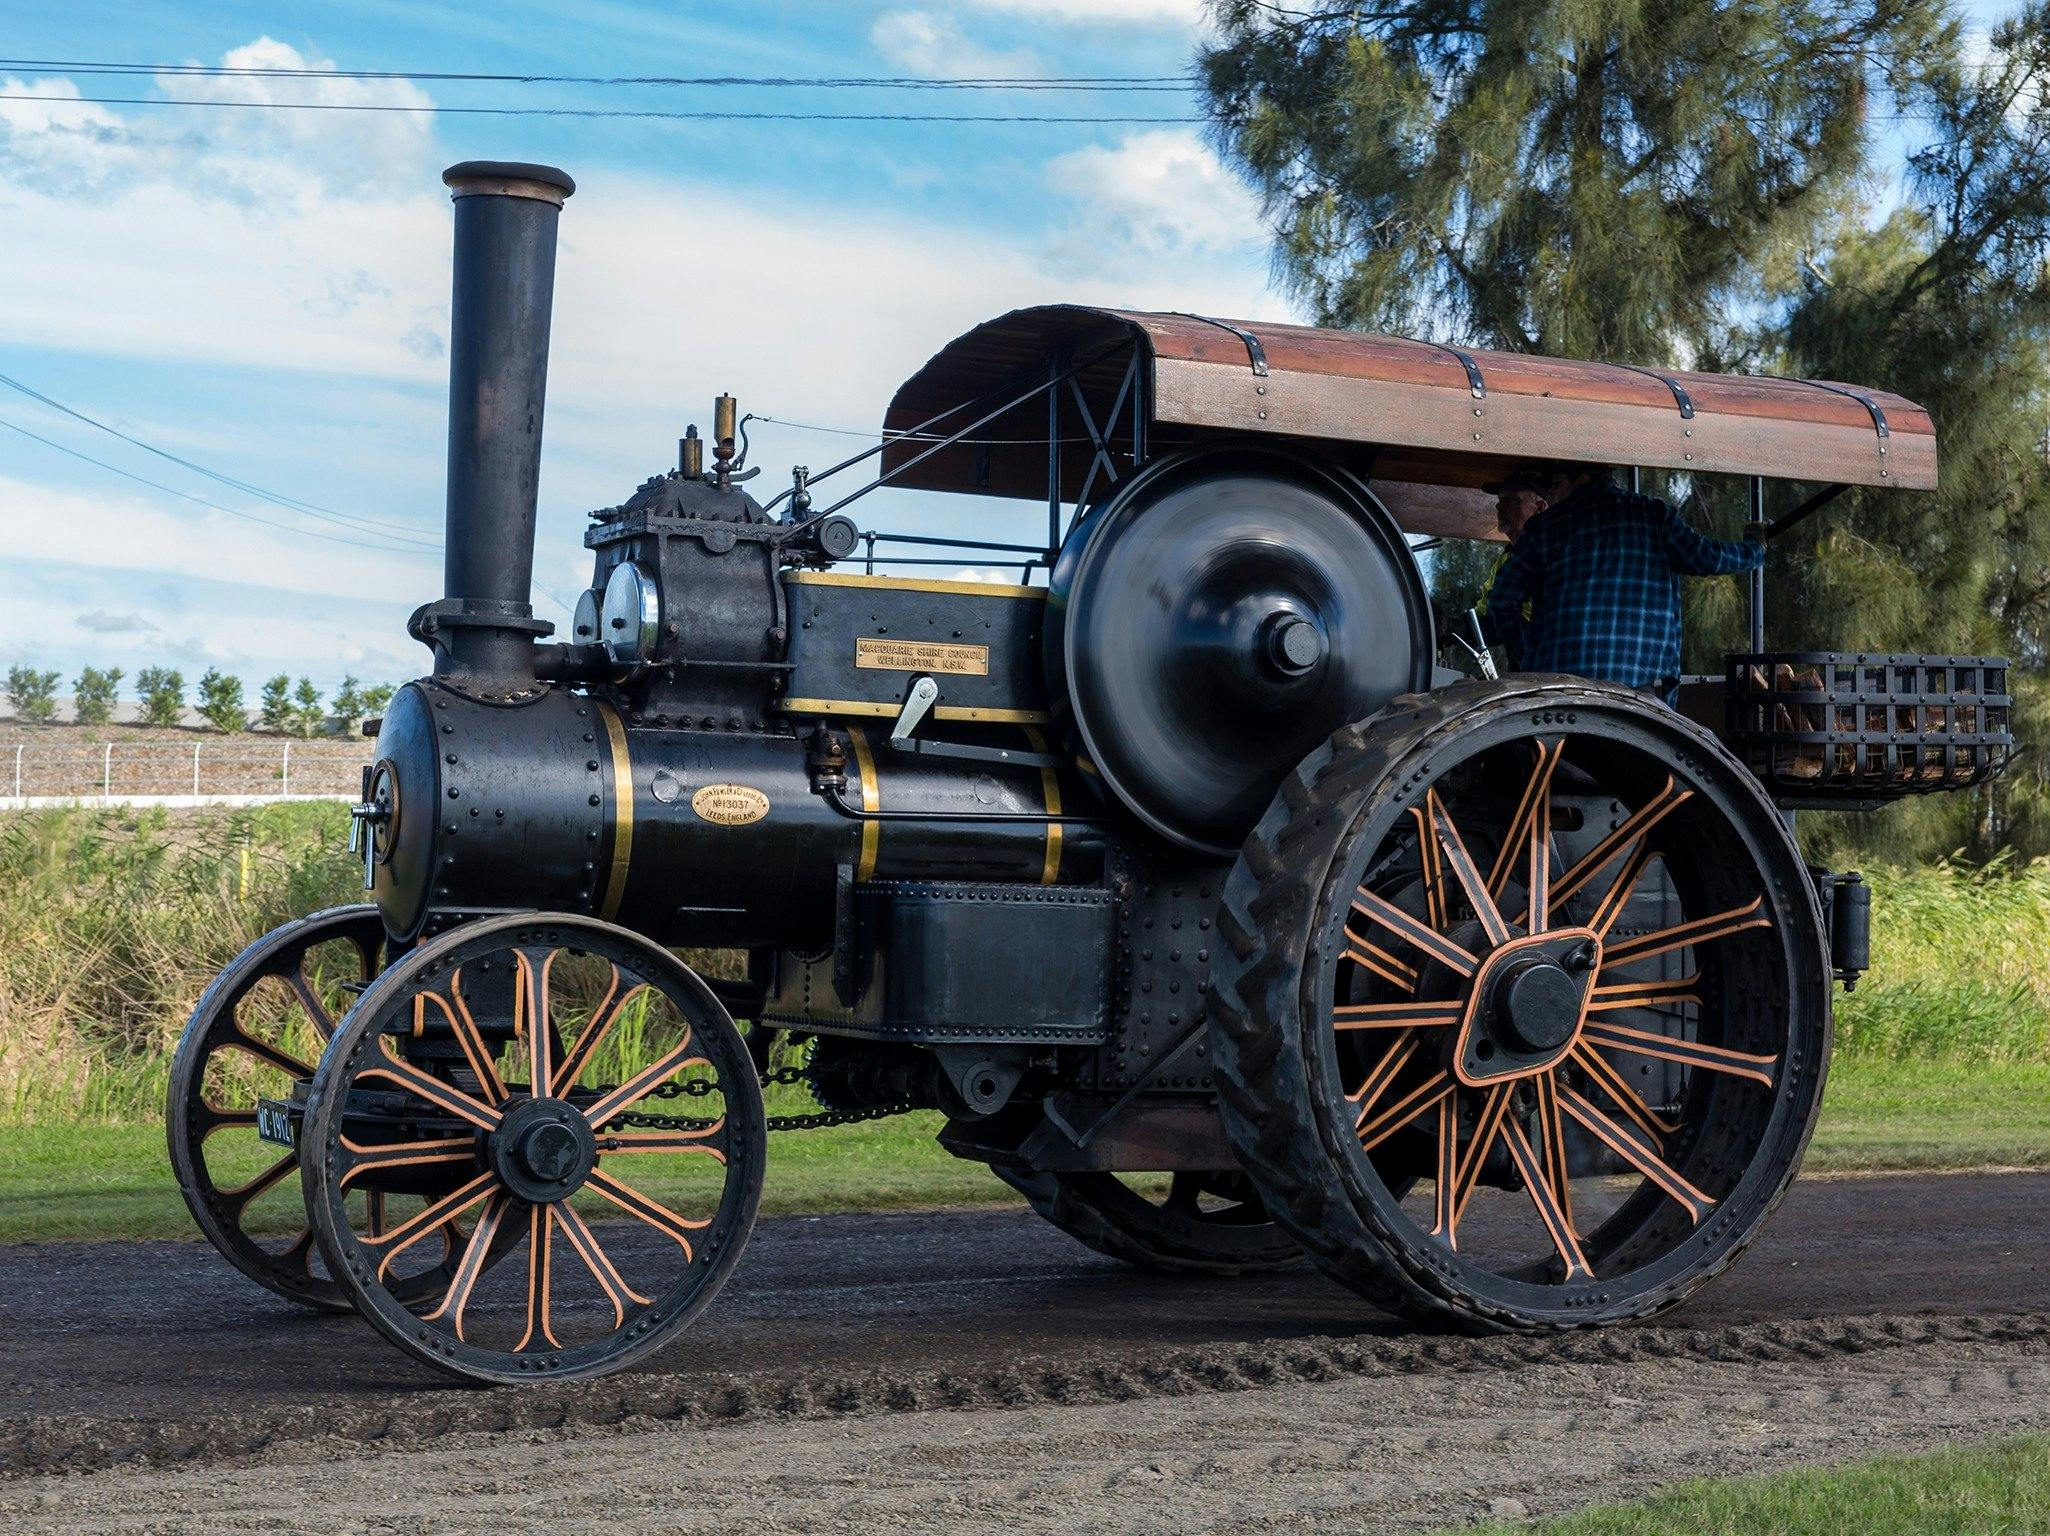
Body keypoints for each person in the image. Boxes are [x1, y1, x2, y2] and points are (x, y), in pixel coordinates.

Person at [1478, 461, 1765, 697]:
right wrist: (1756, 549)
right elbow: (1709, 557)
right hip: (1640, 685)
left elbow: (1502, 600)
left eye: (1555, 485)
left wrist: (1528, 655)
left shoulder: (1544, 527)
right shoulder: (1653, 515)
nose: (1552, 496)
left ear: (1581, 478)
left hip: (1558, 686)